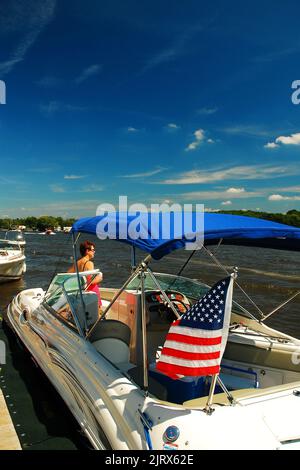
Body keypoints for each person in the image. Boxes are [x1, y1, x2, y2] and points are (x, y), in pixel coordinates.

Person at [68, 240, 103, 308]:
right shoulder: (89, 263)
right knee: (96, 314)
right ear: (87, 251)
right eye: (93, 250)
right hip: (91, 292)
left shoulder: (77, 263)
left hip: (82, 292)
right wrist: (100, 278)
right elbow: (91, 281)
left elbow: (68, 274)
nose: (94, 252)